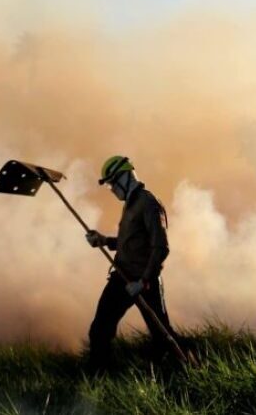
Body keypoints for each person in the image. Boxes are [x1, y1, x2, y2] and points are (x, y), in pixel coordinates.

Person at [84, 155, 179, 371]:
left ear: (125, 176)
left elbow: (161, 247)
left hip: (144, 282)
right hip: (121, 278)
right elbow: (131, 241)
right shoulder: (130, 204)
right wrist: (104, 240)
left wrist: (144, 281)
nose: (111, 189)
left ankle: (184, 366)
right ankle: (98, 375)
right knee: (100, 329)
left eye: (112, 183)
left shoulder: (148, 204)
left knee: (162, 333)